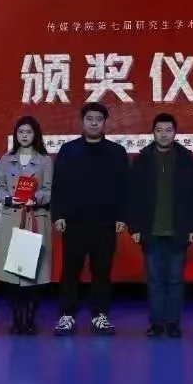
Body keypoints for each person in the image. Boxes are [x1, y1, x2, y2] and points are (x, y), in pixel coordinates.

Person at [50, 103, 129, 336]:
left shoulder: (116, 152)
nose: (94, 123)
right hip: (74, 222)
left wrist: (122, 217)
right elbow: (59, 185)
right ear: (82, 122)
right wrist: (58, 215)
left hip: (105, 223)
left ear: (105, 122)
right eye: (89, 118)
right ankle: (67, 316)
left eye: (98, 119)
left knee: (102, 271)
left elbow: (125, 188)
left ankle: (100, 316)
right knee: (70, 271)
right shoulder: (68, 150)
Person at [127, 113, 193, 338]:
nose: (164, 135)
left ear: (175, 132)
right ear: (153, 132)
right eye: (159, 130)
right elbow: (133, 197)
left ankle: (173, 323)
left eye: (168, 130)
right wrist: (134, 228)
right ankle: (157, 323)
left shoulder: (186, 159)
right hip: (151, 230)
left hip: (179, 230)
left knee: (175, 280)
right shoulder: (143, 159)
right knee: (155, 281)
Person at [0, 116, 54, 335]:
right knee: (12, 272)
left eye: (28, 132)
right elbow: (0, 188)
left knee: (34, 272)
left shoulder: (45, 160)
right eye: (20, 132)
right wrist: (8, 199)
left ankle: (30, 319)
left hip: (36, 217)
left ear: (36, 135)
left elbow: (49, 189)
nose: (24, 136)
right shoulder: (6, 159)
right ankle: (17, 318)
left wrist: (36, 198)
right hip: (12, 218)